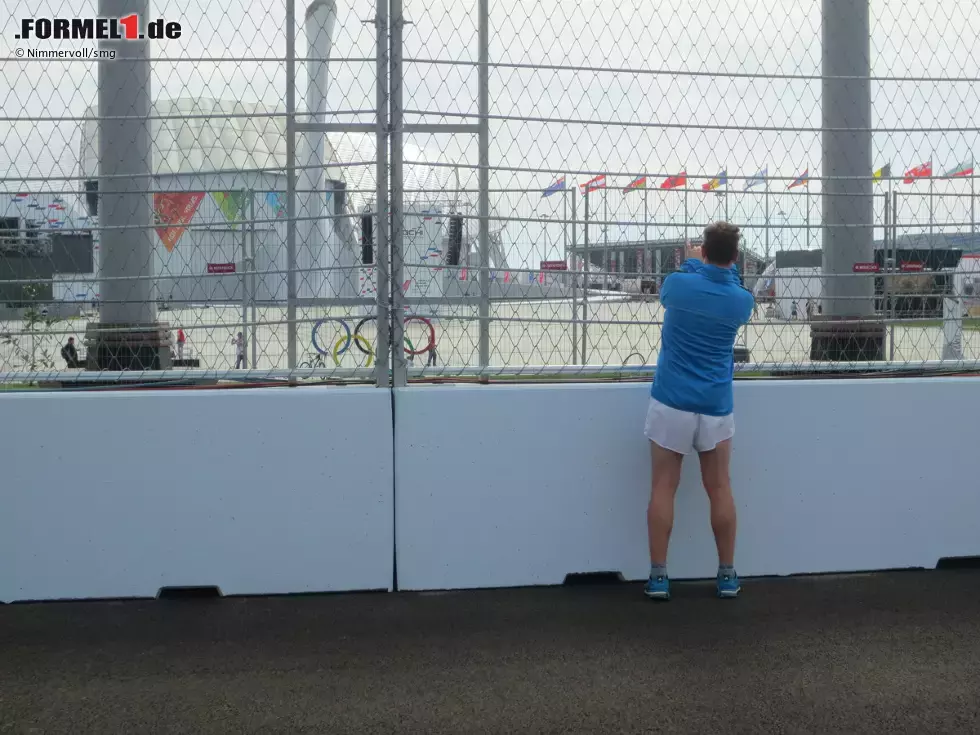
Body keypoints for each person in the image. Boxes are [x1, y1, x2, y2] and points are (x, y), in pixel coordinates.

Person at [643, 221, 755, 601]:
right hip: (714, 405)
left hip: (671, 400)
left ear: (702, 251)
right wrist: (717, 267)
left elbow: (674, 286)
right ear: (735, 257)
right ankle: (726, 575)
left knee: (663, 487)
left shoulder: (678, 284)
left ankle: (659, 577)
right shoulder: (742, 301)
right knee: (720, 487)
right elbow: (732, 285)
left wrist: (692, 263)